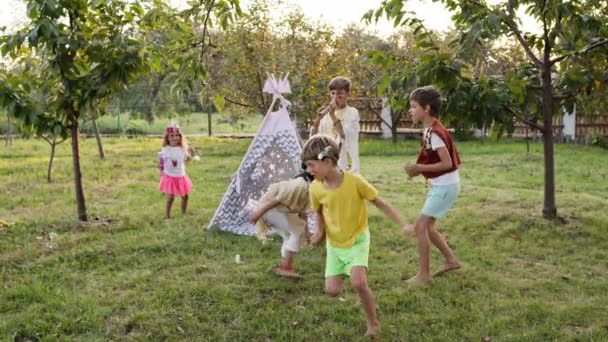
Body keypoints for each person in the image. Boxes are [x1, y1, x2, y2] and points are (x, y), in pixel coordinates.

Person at [304, 135, 405, 340]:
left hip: (357, 239)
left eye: (311, 165)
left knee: (358, 283)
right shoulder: (315, 187)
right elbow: (318, 212)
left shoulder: (355, 181)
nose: (309, 171)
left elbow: (379, 202)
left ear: (328, 162)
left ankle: (373, 323)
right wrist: (319, 232)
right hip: (335, 244)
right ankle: (345, 271)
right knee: (332, 291)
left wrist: (403, 222)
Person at [403, 85, 462, 286]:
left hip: (446, 187)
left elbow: (447, 163)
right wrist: (419, 168)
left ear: (426, 108)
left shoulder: (435, 133)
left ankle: (424, 275)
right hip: (443, 185)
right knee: (428, 227)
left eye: (413, 106)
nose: (410, 110)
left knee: (421, 226)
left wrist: (418, 167)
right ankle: (451, 260)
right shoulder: (431, 129)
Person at [248, 167, 314, 278]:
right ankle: (286, 267)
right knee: (296, 232)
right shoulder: (300, 185)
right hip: (270, 210)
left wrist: (307, 234)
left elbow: (303, 215)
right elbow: (276, 200)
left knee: (290, 235)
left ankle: (284, 267)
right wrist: (257, 214)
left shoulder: (307, 188)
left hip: (276, 211)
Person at [310, 76, 361, 173]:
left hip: (342, 162)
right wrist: (318, 119)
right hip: (325, 160)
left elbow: (344, 135)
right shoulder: (326, 115)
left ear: (347, 94)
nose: (335, 97)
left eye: (340, 94)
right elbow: (313, 137)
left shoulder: (352, 112)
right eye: (333, 93)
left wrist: (332, 115)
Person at [158, 121, 198, 219]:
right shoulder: (166, 150)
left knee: (185, 196)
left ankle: (183, 213)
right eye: (171, 135)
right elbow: (161, 161)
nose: (174, 137)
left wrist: (192, 154)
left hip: (181, 176)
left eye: (177, 135)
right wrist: (162, 170)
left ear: (180, 137)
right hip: (170, 176)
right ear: (167, 138)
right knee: (170, 198)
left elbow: (187, 160)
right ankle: (167, 216)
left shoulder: (182, 149)